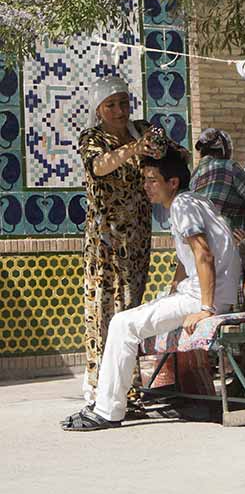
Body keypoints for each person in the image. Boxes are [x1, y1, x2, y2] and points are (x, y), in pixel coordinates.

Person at [61, 150, 242, 431]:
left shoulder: (182, 205)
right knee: (142, 313)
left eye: (152, 180)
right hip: (203, 294)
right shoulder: (195, 201)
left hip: (203, 298)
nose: (146, 186)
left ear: (172, 182)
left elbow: (203, 254)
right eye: (145, 180)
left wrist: (206, 309)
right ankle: (167, 394)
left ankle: (107, 411)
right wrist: (172, 291)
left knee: (122, 324)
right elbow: (187, 259)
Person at [78, 76, 166, 416]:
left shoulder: (141, 129)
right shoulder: (92, 139)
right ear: (99, 109)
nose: (119, 111)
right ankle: (101, 388)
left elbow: (171, 154)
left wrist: (160, 148)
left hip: (137, 239)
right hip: (106, 242)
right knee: (104, 310)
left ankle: (129, 389)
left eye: (124, 103)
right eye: (111, 105)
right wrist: (133, 149)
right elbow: (100, 166)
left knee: (130, 309)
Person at [190, 127, 245, 236]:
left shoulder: (194, 177)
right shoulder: (230, 167)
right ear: (225, 150)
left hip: (204, 240)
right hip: (232, 239)